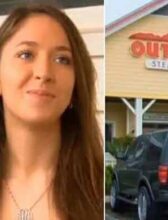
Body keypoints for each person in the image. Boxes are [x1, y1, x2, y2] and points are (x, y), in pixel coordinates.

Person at [0, 4, 103, 220]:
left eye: (62, 59)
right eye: (26, 54)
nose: (44, 73)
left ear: (76, 86)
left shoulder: (98, 189)